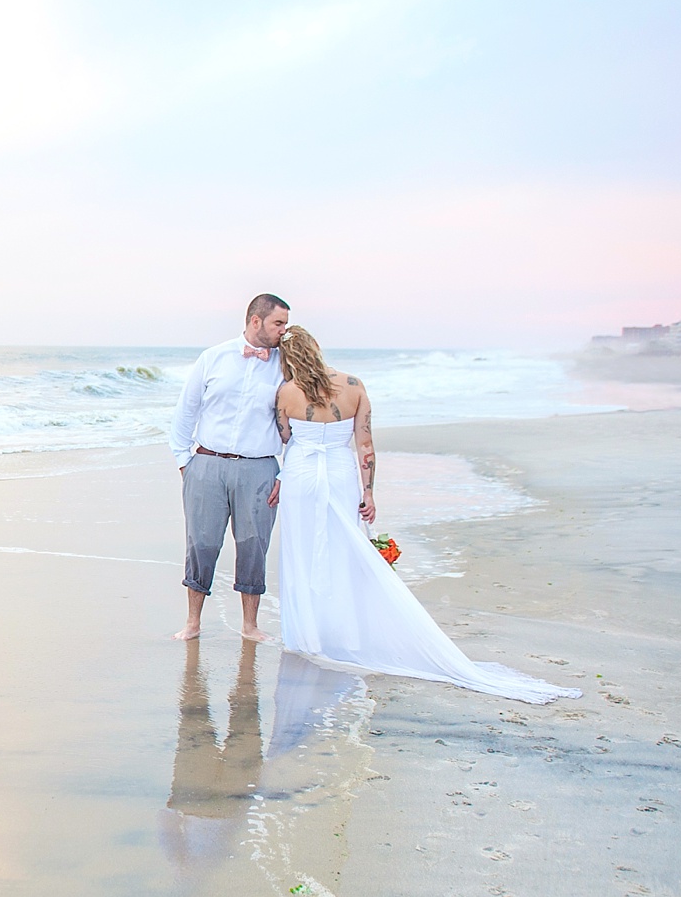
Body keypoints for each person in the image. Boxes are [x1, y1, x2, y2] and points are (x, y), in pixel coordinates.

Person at [271, 326, 580, 704]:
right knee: (347, 553)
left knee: (303, 553)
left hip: (302, 477)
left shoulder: (286, 392)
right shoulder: (352, 385)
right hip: (339, 475)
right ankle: (347, 634)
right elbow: (365, 446)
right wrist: (368, 491)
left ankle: (308, 635)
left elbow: (285, 438)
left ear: (287, 359)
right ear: (317, 350)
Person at [169, 293, 290, 641]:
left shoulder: (285, 366)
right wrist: (185, 464)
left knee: (254, 545)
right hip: (206, 464)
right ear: (256, 321)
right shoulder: (214, 358)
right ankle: (193, 622)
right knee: (201, 543)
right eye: (277, 323)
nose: (283, 330)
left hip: (260, 469)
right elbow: (185, 411)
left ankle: (249, 625)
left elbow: (295, 425)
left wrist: (285, 472)